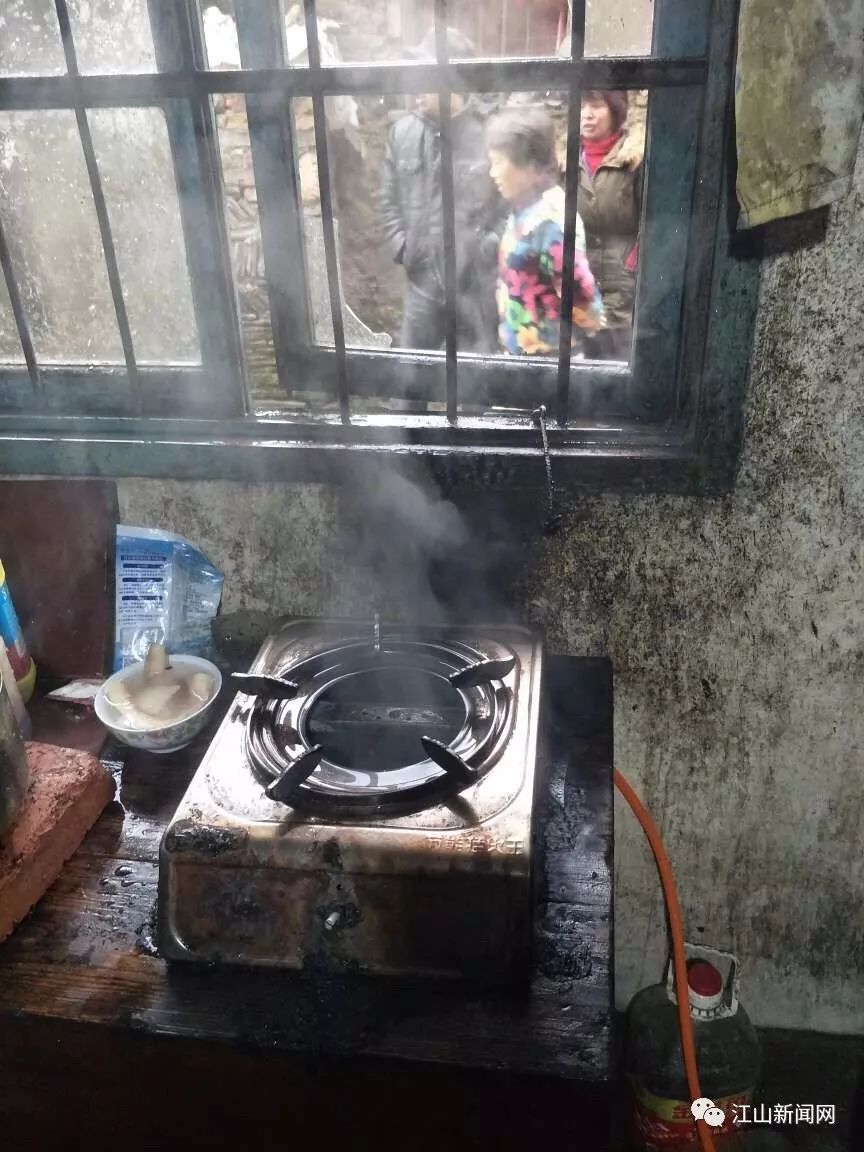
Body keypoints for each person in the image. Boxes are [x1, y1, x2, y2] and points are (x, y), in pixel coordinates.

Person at [380, 29, 505, 354]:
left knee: (477, 379)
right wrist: (405, 248)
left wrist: (486, 250)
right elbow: (389, 200)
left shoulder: (491, 133)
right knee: (412, 377)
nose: (416, 89)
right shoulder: (402, 133)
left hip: (476, 289)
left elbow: (509, 204)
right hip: (421, 285)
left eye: (426, 78)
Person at [486, 107, 603, 357]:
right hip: (523, 357)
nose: (492, 173)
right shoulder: (523, 208)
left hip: (549, 362)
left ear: (530, 167)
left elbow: (581, 295)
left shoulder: (548, 222)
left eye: (498, 163)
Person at [579, 89, 644, 361]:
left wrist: (633, 264)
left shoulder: (636, 160)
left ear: (616, 111)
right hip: (580, 293)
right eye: (582, 105)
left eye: (596, 106)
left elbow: (653, 222)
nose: (587, 114)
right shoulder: (566, 162)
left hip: (624, 293)